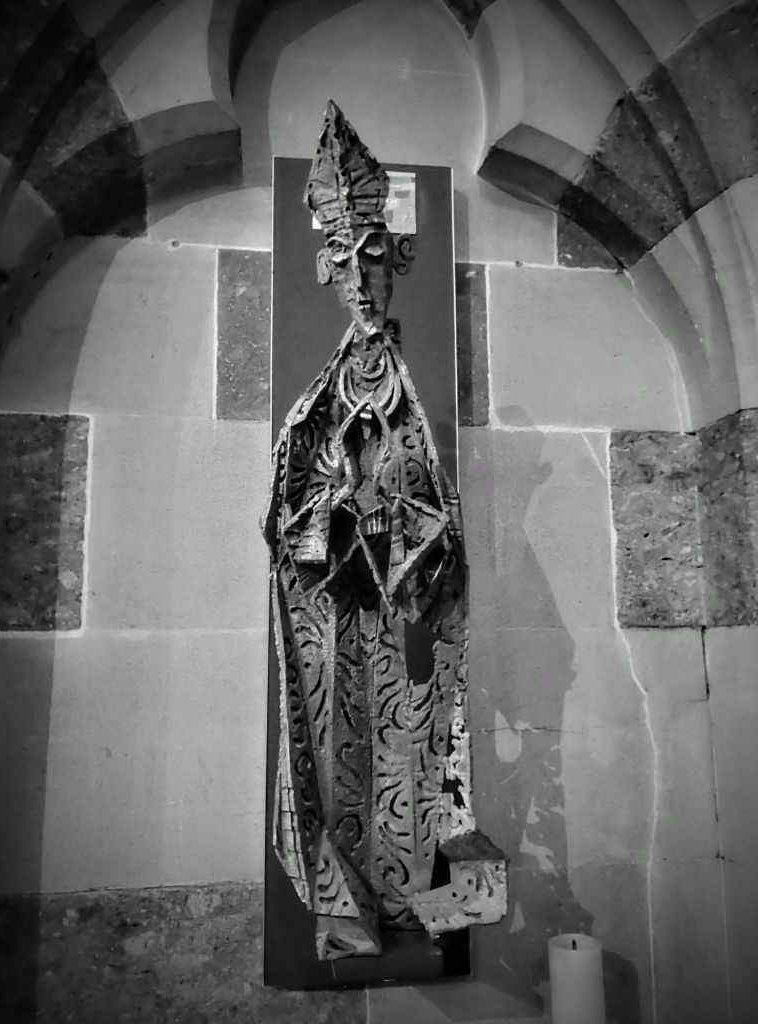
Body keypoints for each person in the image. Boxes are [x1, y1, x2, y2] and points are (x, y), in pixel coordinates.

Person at [262, 100, 506, 961]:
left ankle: (410, 901)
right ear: (326, 269)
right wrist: (335, 513)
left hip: (401, 630)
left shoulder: (408, 400)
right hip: (335, 628)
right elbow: (285, 523)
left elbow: (441, 523)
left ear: (397, 259)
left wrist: (396, 524)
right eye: (344, 261)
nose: (361, 279)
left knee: (411, 760)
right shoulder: (315, 406)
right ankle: (342, 906)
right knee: (337, 761)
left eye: (374, 256)